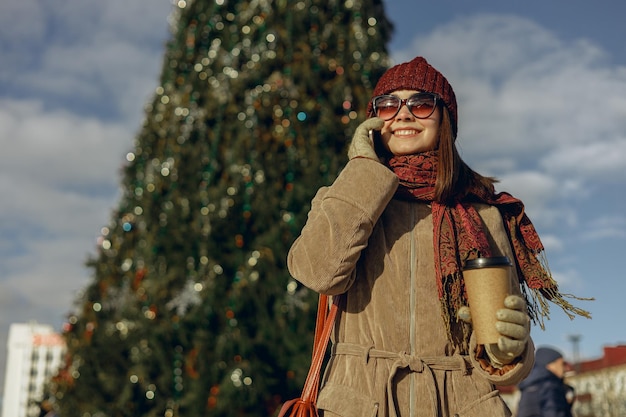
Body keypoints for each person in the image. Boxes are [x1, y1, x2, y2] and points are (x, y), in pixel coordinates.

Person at [287, 56, 589, 417]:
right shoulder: (348, 197)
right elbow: (317, 271)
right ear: (373, 121)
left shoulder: (483, 213)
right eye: (388, 105)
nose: (403, 114)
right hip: (362, 403)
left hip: (460, 404)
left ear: (444, 118)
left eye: (421, 103)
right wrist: (364, 171)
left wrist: (508, 350)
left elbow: (494, 343)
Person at [516, 346, 575, 417]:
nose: (565, 368)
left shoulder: (529, 386)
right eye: (562, 364)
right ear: (550, 365)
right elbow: (554, 412)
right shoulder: (550, 386)